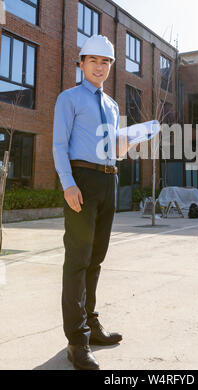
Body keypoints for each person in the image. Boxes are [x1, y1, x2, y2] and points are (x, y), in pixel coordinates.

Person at [53, 35, 133, 371]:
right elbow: (59, 145)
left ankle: (92, 324)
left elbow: (113, 149)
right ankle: (77, 341)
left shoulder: (113, 106)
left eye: (106, 63)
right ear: (81, 63)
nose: (100, 67)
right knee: (78, 260)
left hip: (108, 179)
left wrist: (126, 146)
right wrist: (68, 184)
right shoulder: (68, 98)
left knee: (96, 259)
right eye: (93, 61)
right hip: (82, 181)